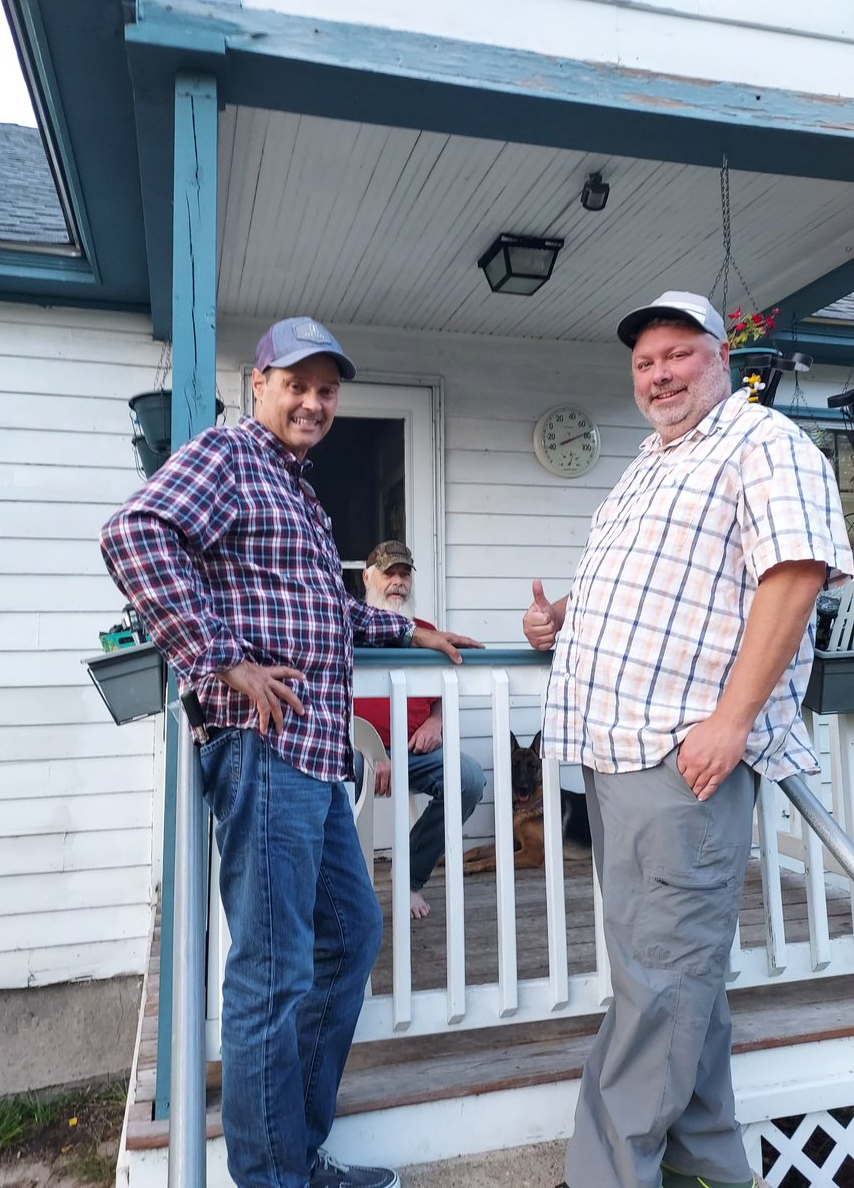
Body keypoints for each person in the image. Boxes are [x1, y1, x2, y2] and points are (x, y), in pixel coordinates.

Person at [99, 316, 481, 1188]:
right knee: (272, 973)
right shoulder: (230, 456)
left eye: (327, 389)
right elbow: (133, 534)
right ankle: (272, 1178)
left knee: (350, 936)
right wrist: (220, 659)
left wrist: (408, 627)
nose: (313, 401)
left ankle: (295, 1153)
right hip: (263, 747)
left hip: (313, 754)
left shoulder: (299, 491)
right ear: (259, 384)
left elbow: (324, 613)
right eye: (297, 384)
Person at [522, 291, 853, 1188]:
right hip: (614, 753)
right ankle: (707, 1168)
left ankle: (605, 1176)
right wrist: (561, 624)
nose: (659, 373)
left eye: (678, 354)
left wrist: (732, 722)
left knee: (660, 988)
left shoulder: (762, 441)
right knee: (667, 981)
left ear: (720, 357)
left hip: (683, 760)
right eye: (644, 362)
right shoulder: (652, 460)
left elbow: (794, 577)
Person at [353, 540, 486, 919]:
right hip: (357, 750)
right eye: (388, 573)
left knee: (468, 779)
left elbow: (447, 685)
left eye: (404, 574)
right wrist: (372, 751)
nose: (398, 582)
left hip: (414, 753)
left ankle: (409, 874)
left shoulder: (426, 632)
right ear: (367, 576)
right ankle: (348, 895)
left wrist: (436, 720)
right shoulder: (351, 628)